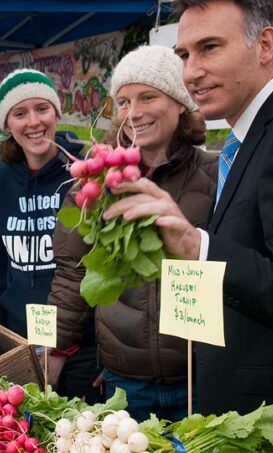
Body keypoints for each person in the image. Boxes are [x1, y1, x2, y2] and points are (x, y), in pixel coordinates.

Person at [104, 0, 273, 445]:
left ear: (264, 45)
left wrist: (198, 248)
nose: (191, 72)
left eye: (209, 48)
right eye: (184, 55)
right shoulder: (247, 139)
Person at [47, 45, 217, 421]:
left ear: (179, 102)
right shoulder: (95, 183)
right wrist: (54, 351)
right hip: (127, 380)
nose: (133, 112)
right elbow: (73, 272)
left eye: (147, 97)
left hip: (201, 376)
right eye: (123, 101)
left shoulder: (218, 174)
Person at [0, 69, 100, 401]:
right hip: (19, 343)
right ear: (7, 125)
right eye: (20, 113)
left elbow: (103, 265)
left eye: (42, 109)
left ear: (57, 113)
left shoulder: (86, 173)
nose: (34, 122)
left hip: (82, 347)